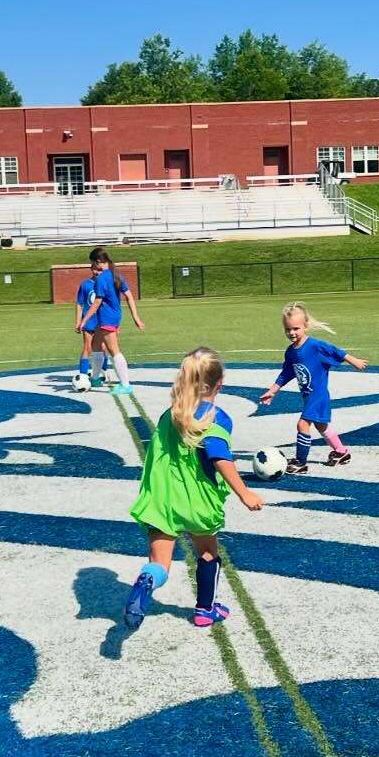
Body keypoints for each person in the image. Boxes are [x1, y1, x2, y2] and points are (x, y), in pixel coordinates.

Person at [126, 347, 263, 629]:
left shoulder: (170, 415)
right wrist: (244, 492)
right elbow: (218, 455)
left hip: (162, 499)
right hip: (198, 500)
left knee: (159, 562)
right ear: (220, 383)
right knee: (208, 551)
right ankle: (204, 610)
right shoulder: (216, 417)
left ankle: (148, 578)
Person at [259, 302, 369, 474]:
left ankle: (301, 462)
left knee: (302, 424)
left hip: (318, 395)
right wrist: (273, 390)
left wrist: (353, 360)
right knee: (321, 426)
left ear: (305, 326)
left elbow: (335, 351)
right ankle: (341, 452)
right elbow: (287, 372)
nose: (292, 333)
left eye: (296, 328)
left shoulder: (315, 346)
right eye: (288, 329)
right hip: (308, 396)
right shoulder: (291, 352)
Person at [83, 246, 144, 396]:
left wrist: (84, 320)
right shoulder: (116, 274)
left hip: (107, 318)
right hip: (113, 316)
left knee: (114, 351)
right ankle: (95, 378)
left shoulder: (102, 279)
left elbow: (97, 303)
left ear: (98, 262)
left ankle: (126, 385)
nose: (93, 266)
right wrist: (135, 317)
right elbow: (129, 296)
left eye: (93, 263)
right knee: (96, 345)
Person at [72, 264, 109, 385]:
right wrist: (78, 321)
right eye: (94, 269)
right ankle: (83, 376)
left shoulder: (106, 283)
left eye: (99, 270)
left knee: (103, 347)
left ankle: (102, 373)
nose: (97, 272)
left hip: (102, 320)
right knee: (88, 347)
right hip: (88, 321)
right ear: (91, 270)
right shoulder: (86, 284)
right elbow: (79, 303)